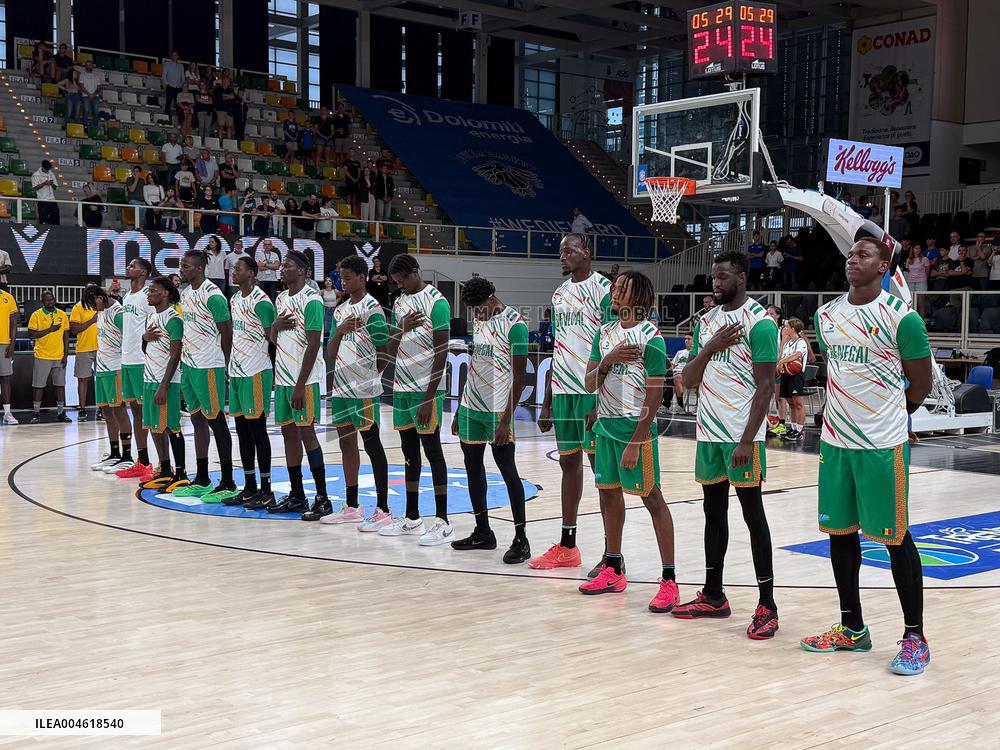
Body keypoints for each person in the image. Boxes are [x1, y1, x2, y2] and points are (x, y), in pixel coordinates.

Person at [801, 237, 933, 675]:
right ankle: (852, 628)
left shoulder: (902, 319)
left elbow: (920, 385)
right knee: (840, 534)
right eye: (850, 254)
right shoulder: (826, 315)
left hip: (881, 444)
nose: (852, 259)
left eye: (864, 254)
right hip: (836, 442)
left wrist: (892, 416)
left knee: (896, 538)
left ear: (884, 266)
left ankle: (915, 637)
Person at [677, 250, 779, 640]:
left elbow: (767, 386)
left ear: (742, 278)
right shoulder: (707, 322)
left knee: (753, 516)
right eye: (713, 277)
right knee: (713, 514)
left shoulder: (761, 324)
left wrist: (747, 439)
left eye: (722, 277)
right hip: (708, 433)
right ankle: (714, 595)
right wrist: (710, 347)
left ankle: (767, 604)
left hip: (741, 437)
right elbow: (688, 376)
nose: (715, 283)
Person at [578, 271, 677, 612]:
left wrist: (637, 440)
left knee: (653, 499)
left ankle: (669, 580)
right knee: (608, 497)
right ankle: (613, 567)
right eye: (614, 287)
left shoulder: (651, 337)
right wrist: (607, 361)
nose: (614, 292)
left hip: (635, 431)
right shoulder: (603, 333)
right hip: (605, 427)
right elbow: (589, 382)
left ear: (640, 295)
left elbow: (655, 393)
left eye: (621, 288)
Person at [529, 233, 613, 571]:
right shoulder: (559, 293)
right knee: (568, 465)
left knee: (601, 473)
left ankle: (612, 553)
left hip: (590, 391)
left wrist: (599, 395)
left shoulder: (605, 290)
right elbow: (558, 348)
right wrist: (547, 400)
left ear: (586, 253)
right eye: (560, 251)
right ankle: (568, 545)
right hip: (563, 390)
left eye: (569, 250)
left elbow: (611, 343)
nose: (562, 256)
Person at [450, 276, 530, 561]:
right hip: (472, 406)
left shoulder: (516, 325)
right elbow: (474, 367)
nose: (475, 314)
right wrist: (460, 408)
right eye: (472, 310)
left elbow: (520, 378)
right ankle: (483, 531)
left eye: (478, 308)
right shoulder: (482, 322)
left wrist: (507, 420)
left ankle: (521, 538)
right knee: (472, 468)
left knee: (508, 471)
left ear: (491, 298)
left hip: (498, 410)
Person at [320, 255, 393, 525]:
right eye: (341, 277)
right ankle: (352, 506)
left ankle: (383, 509)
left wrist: (371, 378)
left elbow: (384, 352)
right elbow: (330, 352)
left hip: (363, 390)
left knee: (372, 444)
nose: (344, 281)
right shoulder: (340, 310)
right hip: (340, 388)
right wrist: (338, 332)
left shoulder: (372, 309)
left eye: (348, 277)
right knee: (345, 444)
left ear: (363, 278)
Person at [383, 254, 451, 542]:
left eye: (403, 281)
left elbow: (442, 353)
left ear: (415, 272)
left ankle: (443, 521)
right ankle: (412, 518)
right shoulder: (399, 304)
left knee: (433, 451)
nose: (401, 288)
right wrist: (402, 328)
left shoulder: (437, 302)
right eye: (397, 284)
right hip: (402, 388)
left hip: (426, 390)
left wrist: (429, 396)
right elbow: (389, 345)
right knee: (409, 453)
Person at [170, 250, 237, 502]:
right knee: (197, 420)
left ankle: (228, 481)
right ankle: (202, 478)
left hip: (209, 366)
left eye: (185, 266)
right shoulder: (186, 295)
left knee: (216, 421)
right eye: (181, 265)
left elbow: (227, 334)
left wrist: (227, 366)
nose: (181, 270)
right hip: (189, 365)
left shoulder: (214, 296)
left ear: (199, 268)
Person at [265, 250, 329, 516]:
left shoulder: (312, 301)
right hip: (282, 379)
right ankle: (297, 495)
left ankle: (323, 498)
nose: (283, 269)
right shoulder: (280, 298)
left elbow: (314, 345)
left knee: (307, 434)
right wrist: (274, 327)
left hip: (305, 380)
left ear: (303, 271)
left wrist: (301, 385)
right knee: (289, 434)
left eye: (288, 265)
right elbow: (271, 340)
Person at [224, 256, 277, 509]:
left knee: (257, 430)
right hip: (237, 371)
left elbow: (273, 340)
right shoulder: (234, 299)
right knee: (242, 430)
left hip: (256, 371)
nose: (234, 272)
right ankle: (248, 486)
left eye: (239, 269)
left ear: (252, 274)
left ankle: (266, 489)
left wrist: (274, 373)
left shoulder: (262, 302)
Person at [138, 277, 190, 494]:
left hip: (165, 382)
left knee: (171, 427)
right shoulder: (151, 317)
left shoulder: (174, 319)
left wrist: (164, 385)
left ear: (166, 293)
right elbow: (146, 348)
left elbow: (176, 355)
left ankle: (181, 473)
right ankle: (165, 469)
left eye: (153, 290)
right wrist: (143, 336)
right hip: (149, 379)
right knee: (155, 427)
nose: (149, 293)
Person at [86, 285, 136, 473]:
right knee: (107, 412)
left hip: (116, 368)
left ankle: (127, 455)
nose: (92, 307)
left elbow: (131, 340)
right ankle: (114, 453)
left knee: (119, 411)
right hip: (102, 367)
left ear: (101, 296)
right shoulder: (101, 312)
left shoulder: (118, 313)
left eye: (93, 302)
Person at [113, 258, 155, 479]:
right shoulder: (128, 296)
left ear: (143, 272)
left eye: (132, 266)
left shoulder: (148, 296)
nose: (128, 268)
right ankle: (142, 460)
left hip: (141, 361)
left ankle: (154, 463)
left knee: (145, 411)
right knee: (135, 411)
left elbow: (155, 324)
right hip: (126, 359)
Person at [28, 291, 71, 424]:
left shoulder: (62, 315)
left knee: (60, 385)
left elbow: (66, 336)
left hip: (58, 355)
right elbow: (31, 334)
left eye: (52, 299)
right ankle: (36, 413)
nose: (50, 302)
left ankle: (61, 413)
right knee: (38, 386)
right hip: (42, 355)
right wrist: (50, 329)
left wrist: (66, 354)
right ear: (42, 302)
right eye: (47, 300)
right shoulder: (36, 315)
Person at [69, 290, 99, 421]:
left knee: (102, 381)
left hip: (103, 349)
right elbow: (74, 330)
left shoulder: (102, 306)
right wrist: (92, 320)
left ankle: (102, 409)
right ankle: (82, 409)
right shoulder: (78, 307)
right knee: (82, 380)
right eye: (89, 292)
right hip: (84, 348)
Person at [777, 318, 808, 440]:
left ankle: (800, 430)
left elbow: (797, 355)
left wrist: (783, 361)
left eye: (786, 327)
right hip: (786, 374)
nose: (784, 329)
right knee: (791, 403)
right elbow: (780, 355)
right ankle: (793, 428)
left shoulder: (801, 342)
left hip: (796, 375)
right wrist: (784, 339)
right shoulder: (788, 343)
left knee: (798, 403)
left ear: (793, 329)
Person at [0, 285, 18, 424]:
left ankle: (7, 413)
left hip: (4, 343)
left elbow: (13, 323)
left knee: (5, 378)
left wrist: (12, 344)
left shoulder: (8, 297)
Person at [31, 160, 60, 226]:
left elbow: (55, 187)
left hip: (52, 200)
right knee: (43, 220)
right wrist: (44, 183)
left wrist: (52, 184)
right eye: (46, 169)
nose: (47, 170)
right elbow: (35, 187)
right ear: (42, 167)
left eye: (48, 169)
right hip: (42, 200)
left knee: (56, 219)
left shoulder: (51, 173)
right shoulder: (36, 175)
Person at [670, 334, 693, 413]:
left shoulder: (696, 353)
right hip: (676, 372)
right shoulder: (679, 352)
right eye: (685, 339)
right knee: (665, 377)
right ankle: (663, 405)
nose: (686, 340)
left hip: (686, 374)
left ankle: (680, 405)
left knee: (677, 378)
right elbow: (673, 366)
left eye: (689, 339)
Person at [77, 59, 102, 128]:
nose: (88, 66)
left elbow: (99, 87)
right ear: (85, 66)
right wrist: (89, 94)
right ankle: (85, 126)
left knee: (96, 112)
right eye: (87, 65)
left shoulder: (96, 76)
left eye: (90, 65)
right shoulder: (82, 75)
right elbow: (81, 86)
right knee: (86, 110)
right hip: (85, 96)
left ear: (92, 66)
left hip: (95, 96)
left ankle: (95, 127)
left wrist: (93, 94)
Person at [162, 51, 185, 120]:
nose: (174, 56)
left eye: (175, 55)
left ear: (178, 56)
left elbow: (182, 77)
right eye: (173, 55)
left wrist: (182, 85)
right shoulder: (167, 64)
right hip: (170, 86)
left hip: (178, 87)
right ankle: (166, 118)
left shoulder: (181, 65)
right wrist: (167, 84)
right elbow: (164, 75)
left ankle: (179, 118)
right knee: (168, 102)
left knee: (178, 103)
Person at [331, 102, 352, 166]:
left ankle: (343, 166)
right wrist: (336, 130)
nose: (341, 109)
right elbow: (332, 126)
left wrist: (349, 132)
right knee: (338, 153)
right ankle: (338, 166)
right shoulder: (335, 116)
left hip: (345, 137)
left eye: (342, 107)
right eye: (339, 107)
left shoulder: (347, 116)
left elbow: (349, 125)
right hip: (338, 137)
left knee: (345, 153)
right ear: (338, 108)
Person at [343, 148, 361, 215]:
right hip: (349, 181)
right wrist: (352, 178)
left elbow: (359, 172)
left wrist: (357, 178)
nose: (351, 153)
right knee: (349, 195)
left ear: (354, 153)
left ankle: (353, 212)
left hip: (356, 182)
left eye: (352, 152)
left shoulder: (357, 162)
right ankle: (348, 211)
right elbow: (346, 171)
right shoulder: (346, 161)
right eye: (350, 152)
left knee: (354, 196)